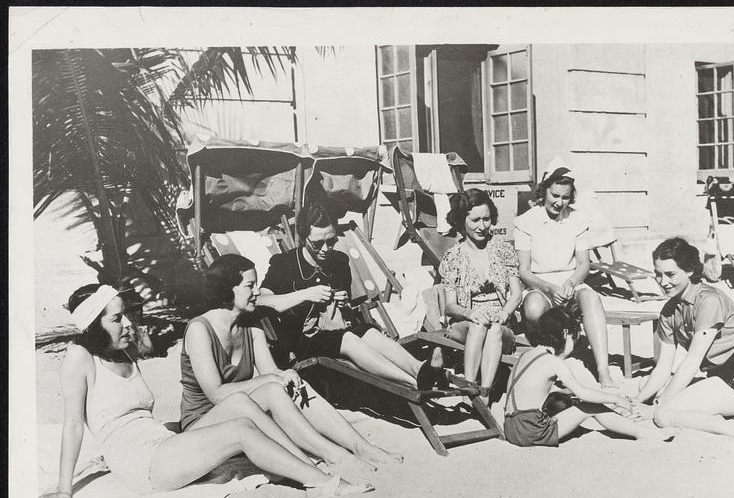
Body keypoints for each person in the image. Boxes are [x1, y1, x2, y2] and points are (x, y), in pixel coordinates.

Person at [40, 285, 371, 498]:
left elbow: (138, 415)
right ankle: (319, 483)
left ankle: (306, 463)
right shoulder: (78, 358)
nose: (128, 323)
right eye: (117, 318)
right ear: (94, 325)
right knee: (240, 430)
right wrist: (63, 488)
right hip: (139, 462)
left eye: (126, 314)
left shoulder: (123, 351)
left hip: (160, 444)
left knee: (240, 401)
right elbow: (73, 424)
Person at [180, 254, 403, 472]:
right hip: (203, 424)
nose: (257, 292)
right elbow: (216, 394)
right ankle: (334, 455)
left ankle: (361, 447)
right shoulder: (200, 330)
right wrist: (273, 378)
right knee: (272, 388)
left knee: (293, 385)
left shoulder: (250, 323)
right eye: (250, 286)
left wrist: (284, 377)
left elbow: (271, 372)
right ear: (227, 288)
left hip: (242, 410)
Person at [258, 200, 446, 390]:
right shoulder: (285, 264)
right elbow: (260, 299)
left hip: (335, 331)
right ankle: (412, 384)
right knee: (348, 338)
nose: (325, 249)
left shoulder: (339, 262)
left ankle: (419, 369)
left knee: (368, 331)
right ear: (303, 238)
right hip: (301, 343)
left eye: (331, 241)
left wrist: (343, 304)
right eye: (317, 244)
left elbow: (346, 316)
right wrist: (305, 295)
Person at [632, 237, 734, 440]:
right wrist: (638, 402)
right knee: (646, 386)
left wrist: (656, 407)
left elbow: (691, 363)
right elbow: (663, 367)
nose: (663, 282)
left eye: (670, 274)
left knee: (663, 415)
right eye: (658, 274)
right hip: (718, 378)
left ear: (690, 271)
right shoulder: (669, 311)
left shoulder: (709, 301)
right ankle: (702, 414)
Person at [503, 303, 676, 447]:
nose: (573, 348)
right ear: (565, 334)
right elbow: (583, 393)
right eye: (574, 339)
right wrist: (616, 399)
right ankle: (643, 433)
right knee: (590, 407)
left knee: (566, 399)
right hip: (530, 431)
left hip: (511, 427)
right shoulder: (553, 362)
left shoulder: (527, 355)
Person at [514, 159, 615, 387]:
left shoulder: (578, 219)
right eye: (555, 195)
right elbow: (524, 271)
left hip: (570, 281)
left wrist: (571, 283)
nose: (559, 202)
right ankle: (548, 359)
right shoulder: (525, 222)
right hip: (539, 285)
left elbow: (583, 264)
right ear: (544, 191)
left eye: (565, 197)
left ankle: (603, 370)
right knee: (533, 309)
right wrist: (549, 288)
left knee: (591, 298)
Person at [438, 188, 522, 400]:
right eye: (475, 220)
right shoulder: (453, 257)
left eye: (486, 219)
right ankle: (469, 385)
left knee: (493, 329)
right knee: (478, 325)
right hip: (466, 322)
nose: (482, 226)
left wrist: (503, 314)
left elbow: (516, 294)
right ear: (461, 220)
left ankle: (483, 394)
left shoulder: (502, 250)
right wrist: (469, 313)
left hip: (500, 322)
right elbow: (450, 306)